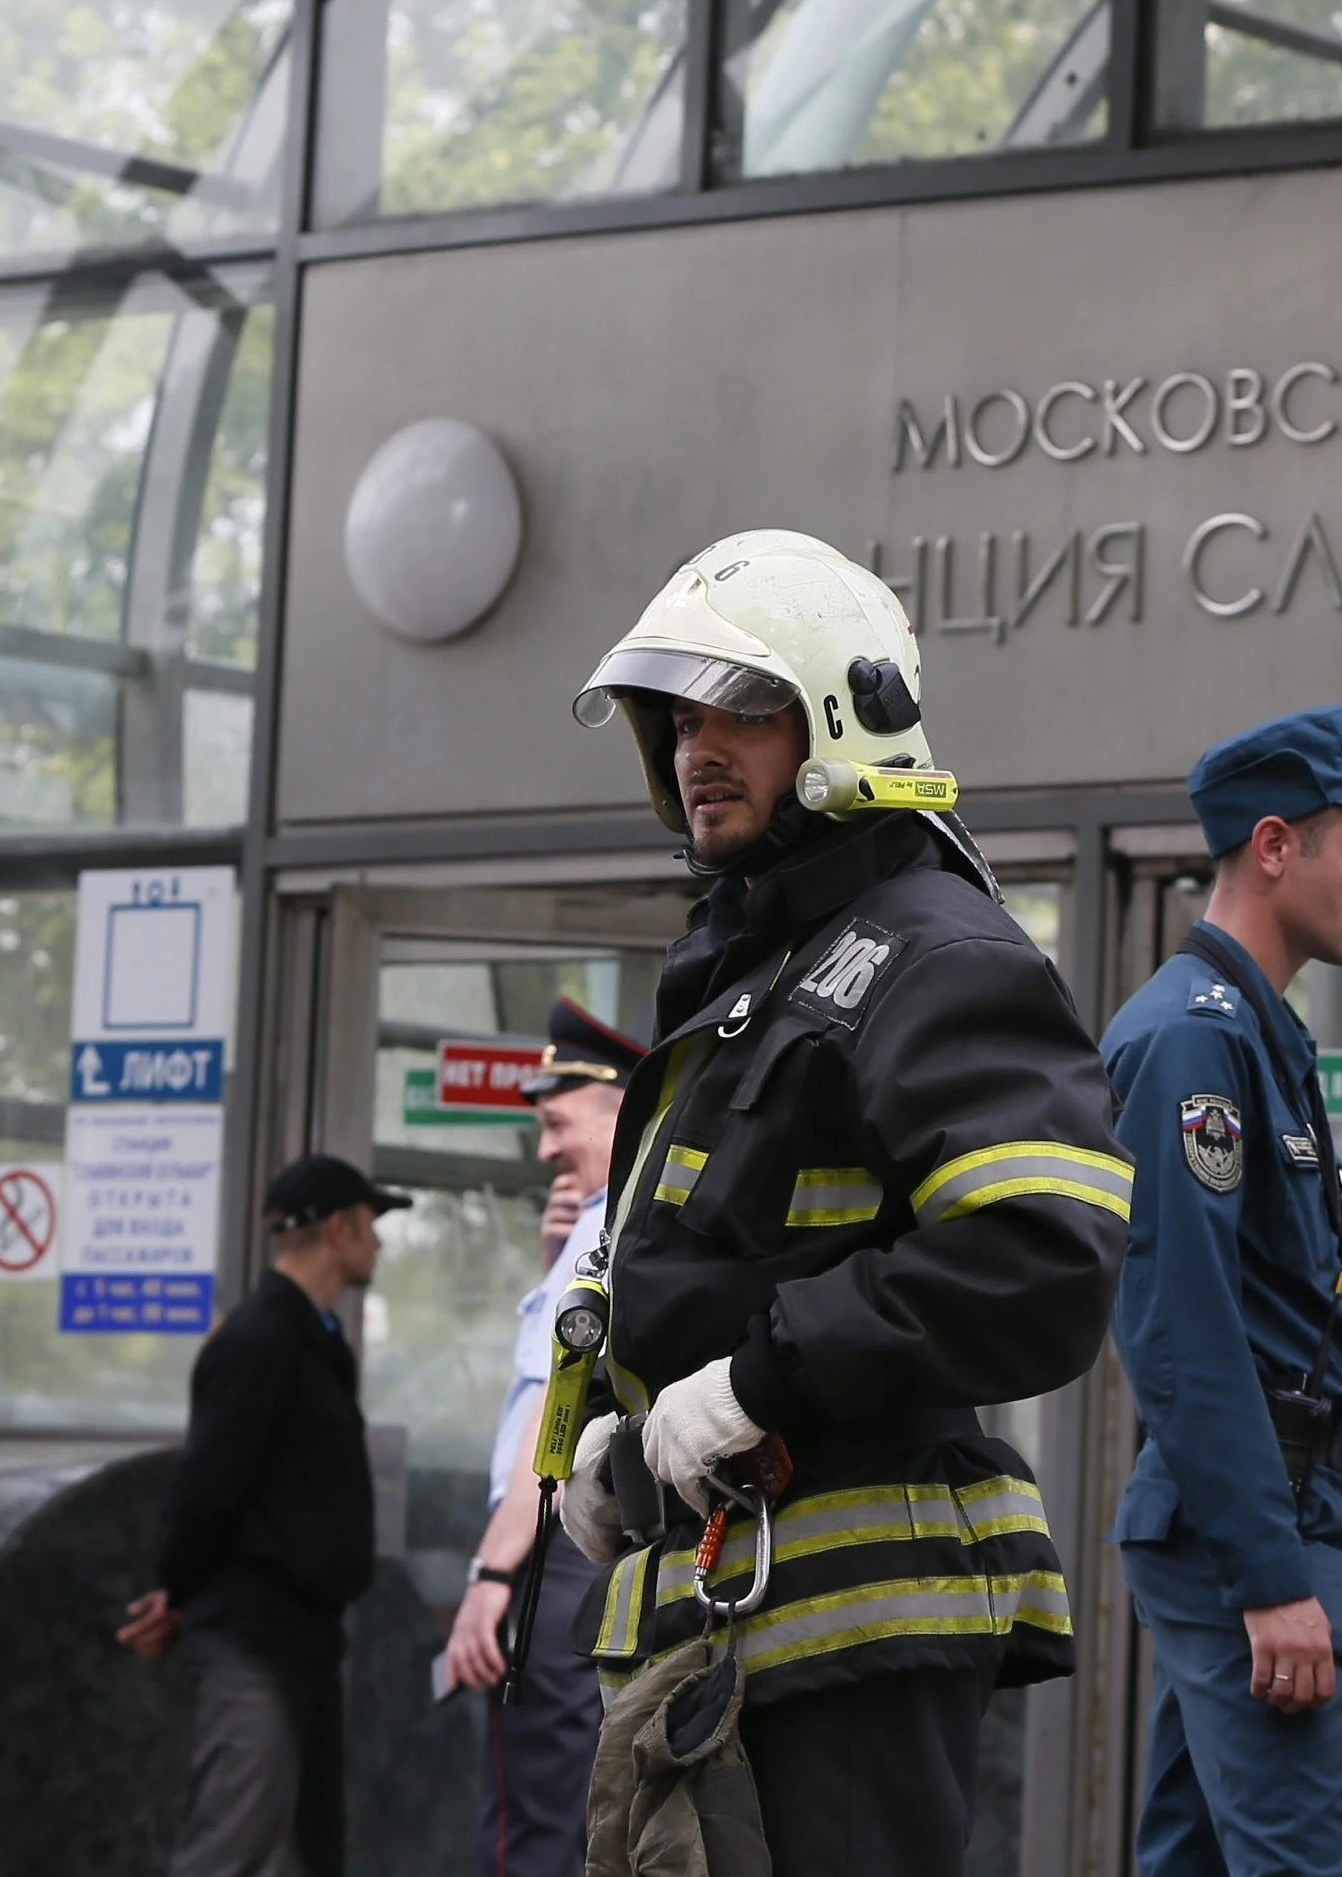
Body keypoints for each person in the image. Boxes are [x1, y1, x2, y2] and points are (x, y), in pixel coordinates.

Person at [556, 530, 1130, 1877]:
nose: (701, 746)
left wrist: (759, 1383)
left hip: (845, 1635)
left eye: (743, 711)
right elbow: (722, 1262)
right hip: (733, 1620)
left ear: (842, 714)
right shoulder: (768, 971)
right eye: (680, 716)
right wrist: (628, 1445)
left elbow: (1040, 1257)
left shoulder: (935, 954)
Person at [1105, 705, 1342, 1877]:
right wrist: (1269, 1578)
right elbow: (1180, 1318)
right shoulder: (1193, 1040)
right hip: (1252, 1519)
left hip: (1270, 1507)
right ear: (1274, 848)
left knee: (1200, 1861)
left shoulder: (1254, 1031)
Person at [120, 1155, 408, 1877]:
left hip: (299, 1635)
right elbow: (207, 1483)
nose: (378, 1241)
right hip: (255, 1636)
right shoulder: (262, 1337)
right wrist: (177, 1590)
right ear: (339, 1228)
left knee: (301, 1853)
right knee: (234, 1850)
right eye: (371, 1223)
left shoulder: (312, 1337)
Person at [443, 998, 640, 1877]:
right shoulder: (603, 1229)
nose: (545, 1148)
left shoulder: (608, 1230)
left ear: (624, 1111)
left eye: (557, 1122)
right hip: (578, 1550)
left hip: (554, 1553)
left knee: (537, 1821)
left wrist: (493, 1574)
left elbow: (550, 1423)